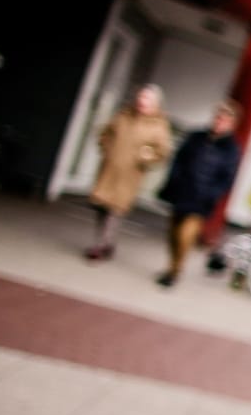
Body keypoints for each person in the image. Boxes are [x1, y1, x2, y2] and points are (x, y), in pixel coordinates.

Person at [155, 100, 240, 288]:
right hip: (182, 190)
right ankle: (172, 263)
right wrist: (174, 180)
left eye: (224, 120)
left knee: (186, 234)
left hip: (201, 198)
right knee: (173, 231)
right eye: (218, 118)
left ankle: (175, 269)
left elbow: (227, 177)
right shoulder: (196, 137)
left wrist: (212, 194)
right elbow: (179, 160)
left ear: (231, 124)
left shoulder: (231, 149)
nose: (219, 122)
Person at [84, 84, 172, 261]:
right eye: (141, 97)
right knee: (101, 207)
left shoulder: (158, 126)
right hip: (109, 170)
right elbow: (105, 133)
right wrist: (107, 148)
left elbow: (162, 152)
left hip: (129, 175)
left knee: (115, 211)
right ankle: (107, 243)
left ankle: (100, 246)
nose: (141, 101)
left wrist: (147, 157)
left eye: (146, 99)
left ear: (155, 104)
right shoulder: (123, 115)